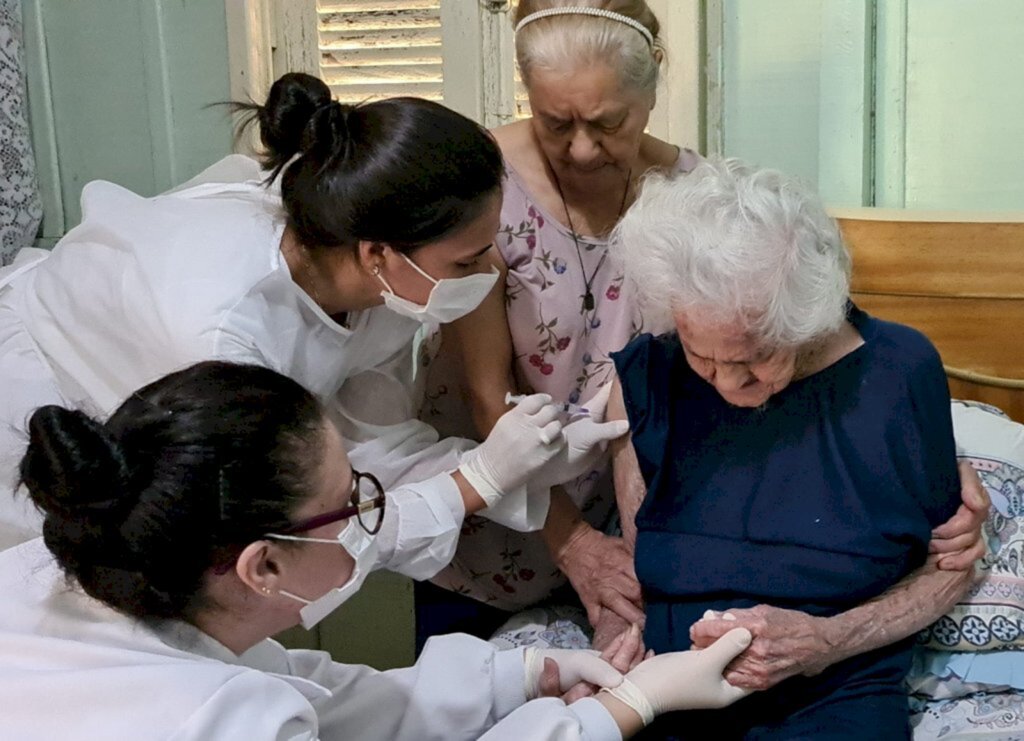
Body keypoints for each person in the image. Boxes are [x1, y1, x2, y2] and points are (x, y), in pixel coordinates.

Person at [415, 0, 986, 653]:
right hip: (502, 522)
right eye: (555, 122)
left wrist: (936, 461)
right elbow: (490, 401)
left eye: (607, 122)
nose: (580, 148)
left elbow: (815, 335)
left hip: (651, 533)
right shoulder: (481, 190)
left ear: (653, 84)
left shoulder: (697, 191)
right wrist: (573, 542)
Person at [0, 72, 626, 563]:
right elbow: (300, 538)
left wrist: (530, 463)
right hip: (36, 421)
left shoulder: (368, 269)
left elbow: (373, 447)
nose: (492, 271)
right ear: (378, 253)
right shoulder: (223, 336)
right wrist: (481, 477)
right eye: (468, 259)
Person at [0, 361, 755, 740]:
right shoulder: (216, 720)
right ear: (262, 565)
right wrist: (625, 706)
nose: (372, 512)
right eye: (354, 498)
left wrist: (526, 673)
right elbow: (269, 707)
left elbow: (312, 691)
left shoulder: (56, 563)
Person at [605, 159, 987, 739]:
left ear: (807, 318)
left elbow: (948, 570)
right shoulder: (649, 374)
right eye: (701, 355)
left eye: (754, 356)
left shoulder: (898, 372)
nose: (728, 383)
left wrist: (826, 642)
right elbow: (633, 570)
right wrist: (611, 647)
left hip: (836, 686)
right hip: (671, 682)